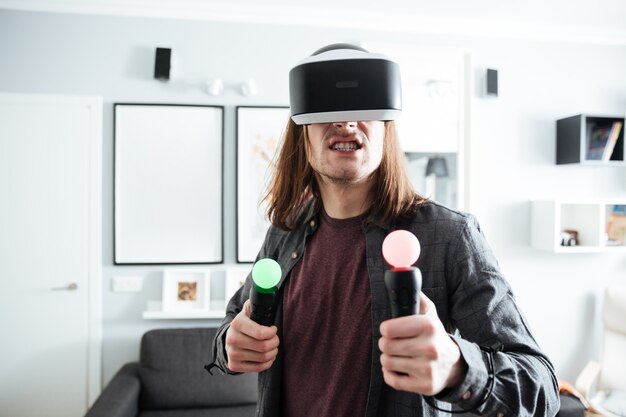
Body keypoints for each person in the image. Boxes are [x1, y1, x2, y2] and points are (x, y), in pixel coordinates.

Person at [206, 44, 560, 417]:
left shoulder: (451, 236)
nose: (345, 122)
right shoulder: (283, 233)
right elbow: (232, 324)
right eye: (328, 108)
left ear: (386, 127)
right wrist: (229, 344)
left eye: (363, 108)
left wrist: (457, 368)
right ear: (302, 130)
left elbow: (542, 388)